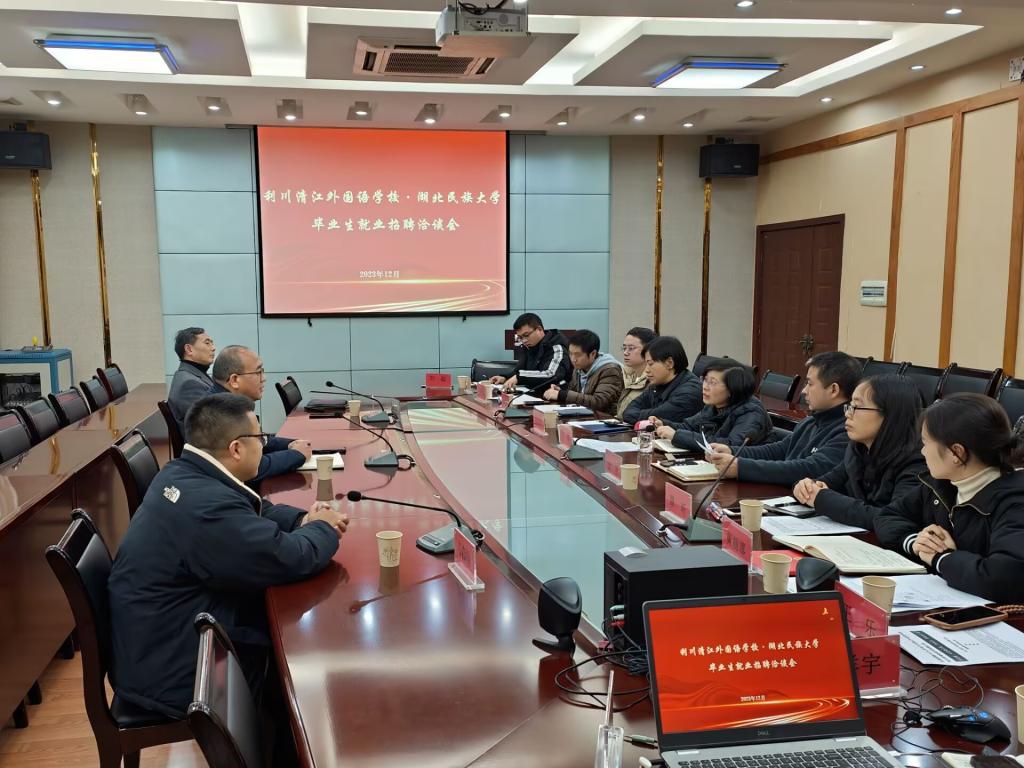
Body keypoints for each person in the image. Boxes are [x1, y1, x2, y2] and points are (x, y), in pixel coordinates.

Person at [108, 393, 347, 722]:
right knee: (299, 644)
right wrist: (324, 528)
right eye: (260, 438)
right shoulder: (207, 508)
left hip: (156, 640)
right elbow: (288, 558)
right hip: (177, 668)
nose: (264, 446)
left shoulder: (182, 473)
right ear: (236, 448)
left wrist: (302, 520)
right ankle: (280, 738)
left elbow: (249, 511)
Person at [874, 394, 1024, 603]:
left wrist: (941, 558)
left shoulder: (1015, 501)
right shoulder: (944, 483)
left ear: (956, 452)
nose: (922, 451)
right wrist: (917, 543)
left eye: (925, 443)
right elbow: (887, 516)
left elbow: (1003, 578)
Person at [705, 350, 859, 486]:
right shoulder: (811, 421)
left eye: (810, 384)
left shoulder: (849, 431)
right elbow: (780, 450)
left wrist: (741, 467)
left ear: (833, 390)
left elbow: (808, 468)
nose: (804, 391)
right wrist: (732, 451)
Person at [791, 374, 926, 528]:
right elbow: (825, 483)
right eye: (850, 406)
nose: (847, 414)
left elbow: (894, 518)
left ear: (890, 414)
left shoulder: (917, 462)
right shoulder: (858, 449)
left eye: (857, 407)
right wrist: (803, 487)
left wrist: (823, 499)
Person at [208, 345, 311, 487]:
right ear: (234, 380)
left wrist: (290, 444)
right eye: (258, 372)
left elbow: (258, 441)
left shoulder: (229, 402)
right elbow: (251, 467)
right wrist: (296, 455)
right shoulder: (219, 413)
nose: (264, 378)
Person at [650, 359, 772, 450]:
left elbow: (731, 445)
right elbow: (689, 426)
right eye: (705, 380)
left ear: (732, 388)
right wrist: (664, 424)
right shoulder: (714, 405)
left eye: (712, 383)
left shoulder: (751, 412)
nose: (705, 387)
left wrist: (677, 436)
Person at [621, 336, 702, 424]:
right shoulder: (658, 385)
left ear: (669, 363)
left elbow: (656, 418)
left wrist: (644, 414)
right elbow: (627, 413)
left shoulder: (689, 393)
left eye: (650, 364)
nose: (646, 370)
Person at [543, 329, 624, 413]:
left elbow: (599, 402)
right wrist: (560, 391)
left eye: (578, 355)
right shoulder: (579, 367)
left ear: (593, 354)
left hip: (605, 417)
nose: (573, 359)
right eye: (571, 353)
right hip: (585, 415)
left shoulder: (610, 370)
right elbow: (575, 394)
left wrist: (562, 395)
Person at [489, 312, 571, 393]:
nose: (524, 340)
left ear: (539, 329)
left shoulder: (557, 346)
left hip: (554, 396)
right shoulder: (529, 347)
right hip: (535, 393)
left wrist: (519, 377)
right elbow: (519, 371)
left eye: (526, 335)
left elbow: (551, 374)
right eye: (520, 337)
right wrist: (505, 378)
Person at [167, 326, 216, 424]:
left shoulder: (191, 374)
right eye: (207, 343)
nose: (213, 348)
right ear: (189, 349)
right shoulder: (189, 384)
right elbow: (209, 423)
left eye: (212, 343)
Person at [616, 326, 655, 419]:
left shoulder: (653, 379)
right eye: (624, 348)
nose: (625, 352)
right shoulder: (626, 375)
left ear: (648, 350)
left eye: (631, 348)